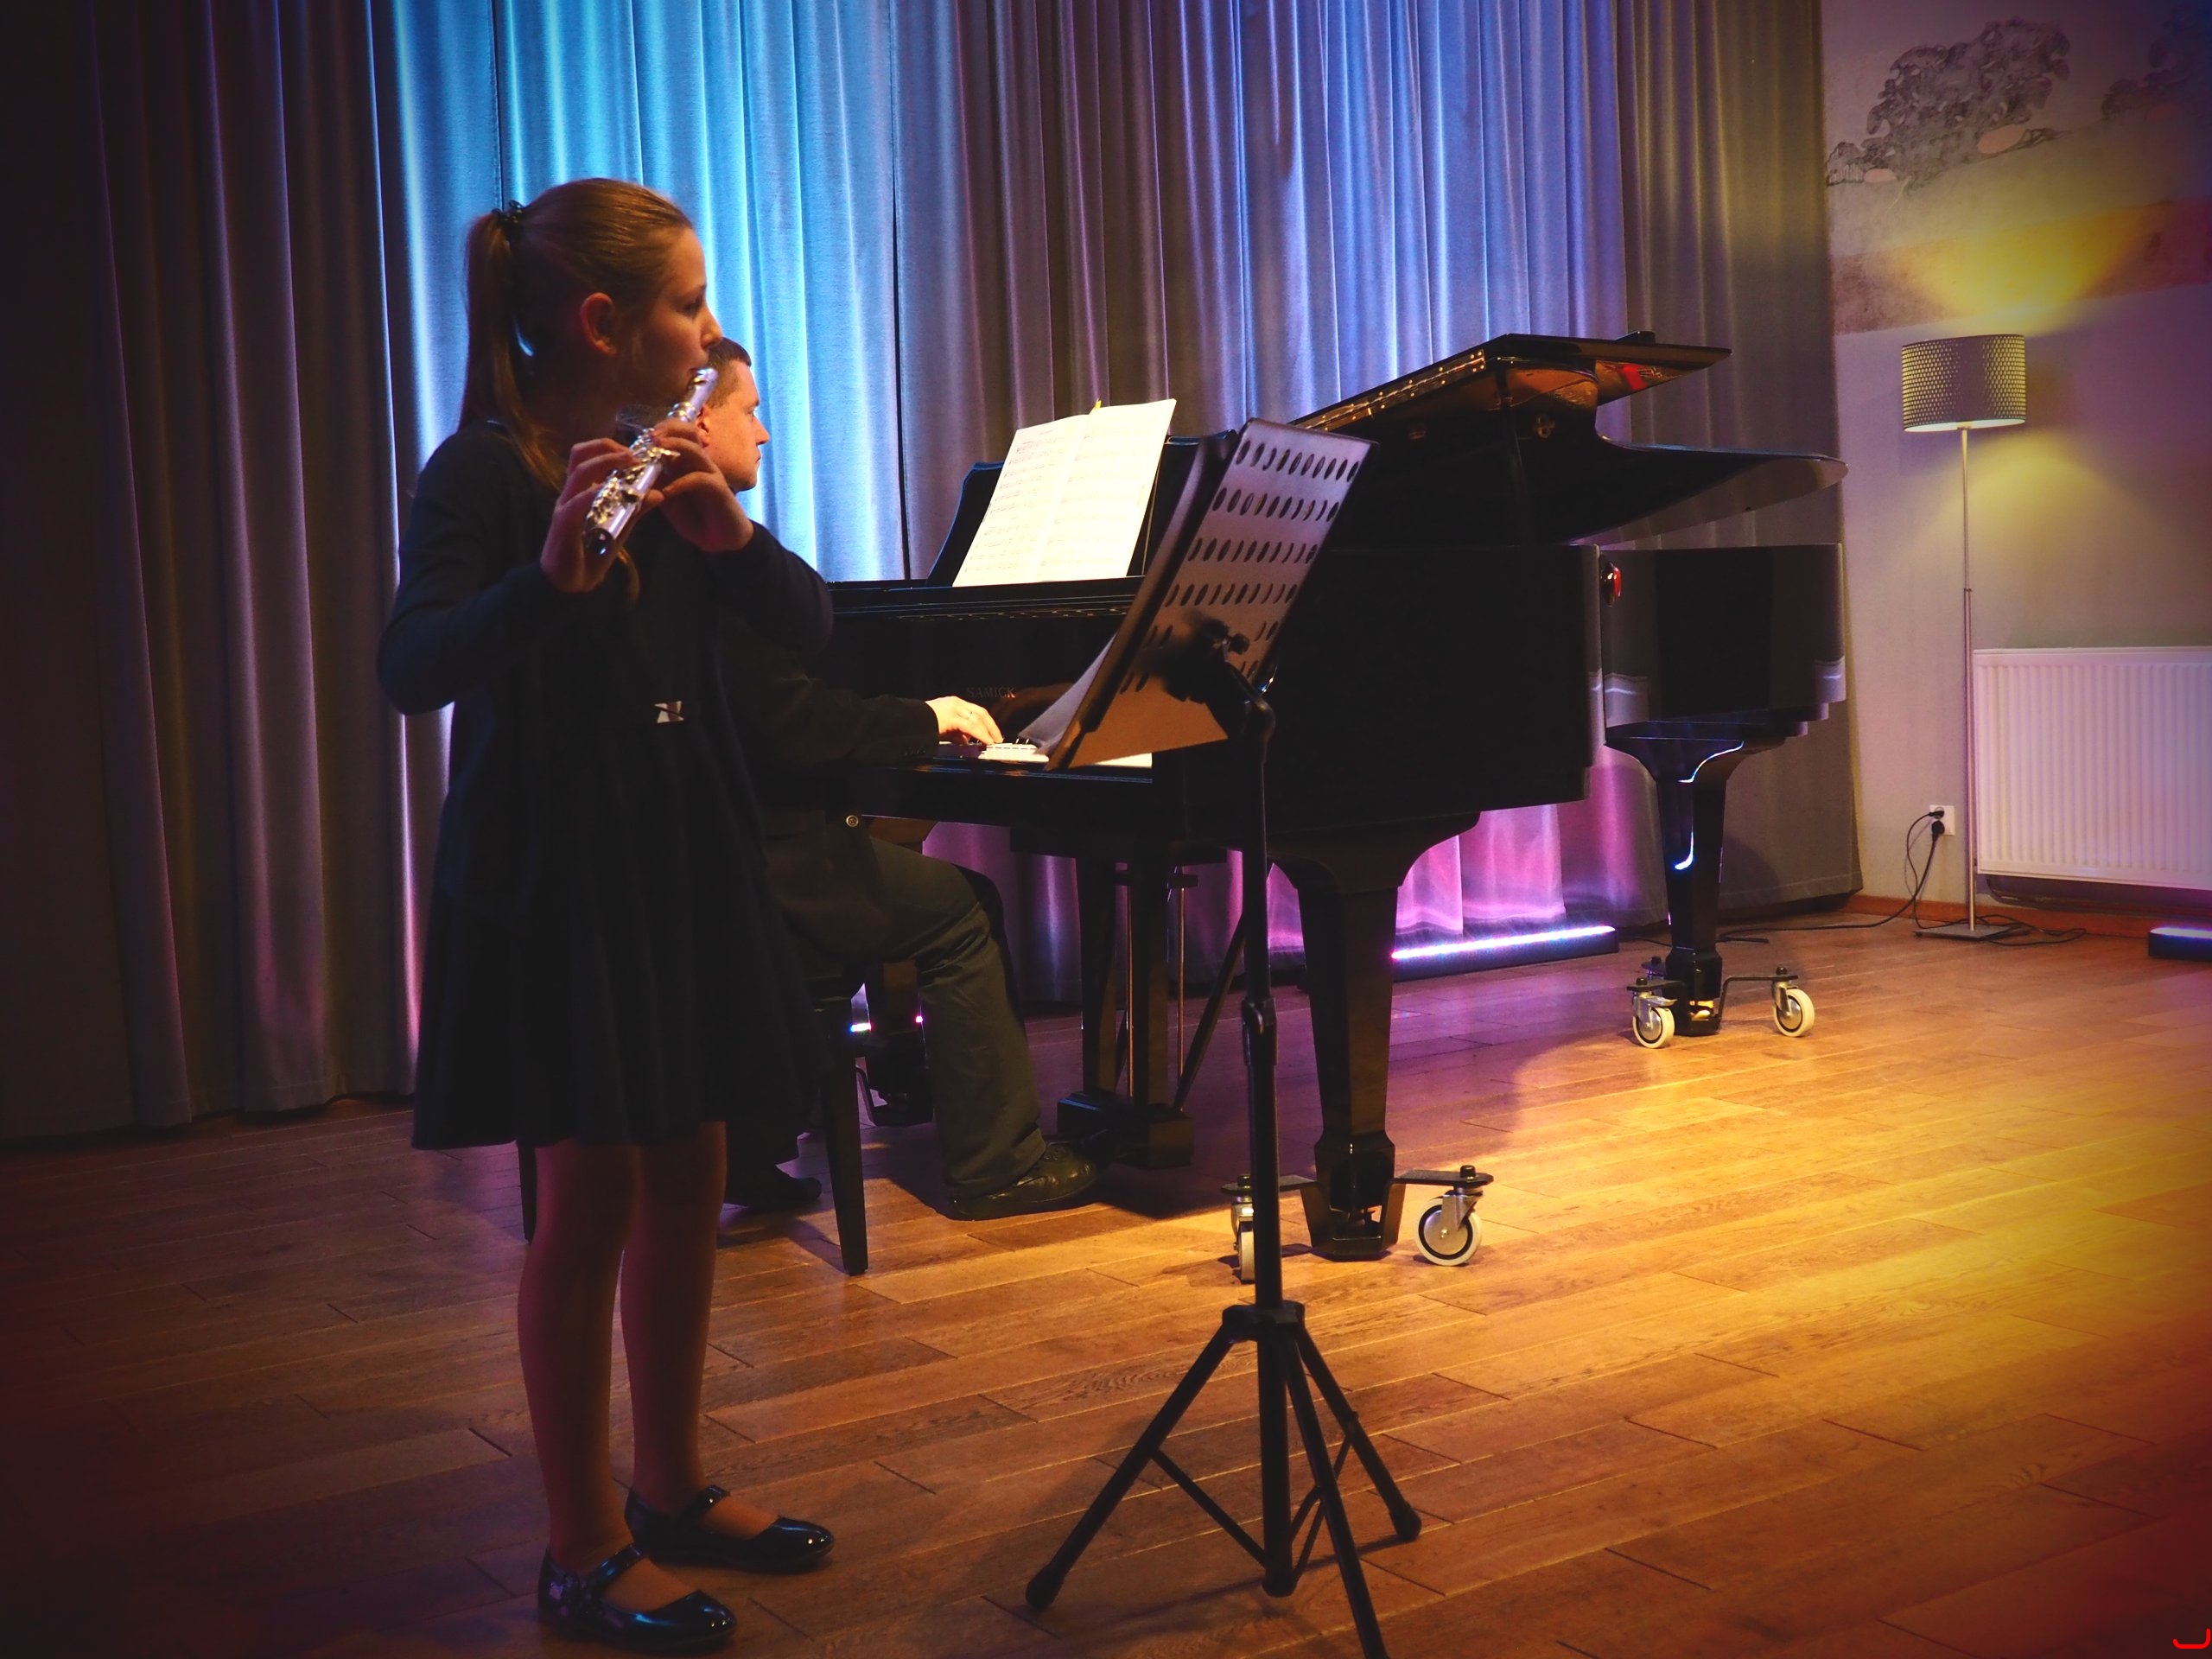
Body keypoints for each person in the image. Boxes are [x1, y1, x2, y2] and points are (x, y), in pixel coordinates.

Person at [379, 180, 832, 1656]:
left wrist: (728, 534)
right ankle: (579, 1547)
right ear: (601, 322)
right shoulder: (486, 470)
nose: (709, 330)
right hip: (560, 871)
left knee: (692, 1168)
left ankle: (672, 1486)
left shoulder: (669, 462)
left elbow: (808, 629)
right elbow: (411, 665)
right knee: (587, 1205)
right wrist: (550, 577)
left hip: (676, 852)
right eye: (689, 305)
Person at [696, 339, 1102, 1221]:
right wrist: (926, 715)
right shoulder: (713, 562)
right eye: (749, 411)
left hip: (713, 852)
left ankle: (785, 1134)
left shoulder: (649, 548)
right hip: (757, 867)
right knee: (962, 909)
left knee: (905, 873)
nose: (763, 433)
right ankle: (996, 1165)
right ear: (697, 421)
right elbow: (798, 724)